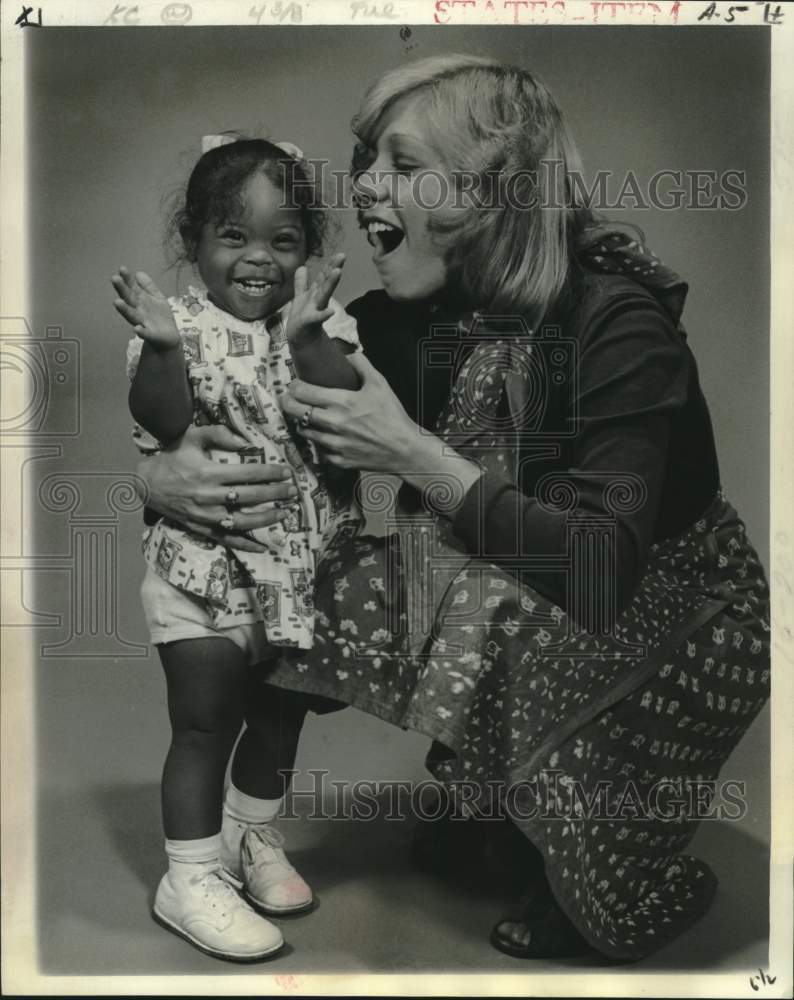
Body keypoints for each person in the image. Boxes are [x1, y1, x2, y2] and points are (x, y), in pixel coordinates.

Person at [133, 55, 770, 963]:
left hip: (669, 606)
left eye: (397, 162)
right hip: (518, 564)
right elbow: (251, 411)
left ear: (493, 192)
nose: (363, 188)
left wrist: (409, 452)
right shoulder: (400, 313)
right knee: (321, 576)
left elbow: (597, 569)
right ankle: (244, 834)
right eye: (365, 160)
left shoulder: (615, 323)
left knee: (520, 615)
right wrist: (157, 476)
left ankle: (608, 863)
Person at [112, 134, 362, 962]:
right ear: (194, 242)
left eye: (283, 241)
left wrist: (309, 333)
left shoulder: (319, 322)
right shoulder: (176, 324)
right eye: (234, 236)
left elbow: (340, 403)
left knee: (281, 717)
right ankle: (188, 875)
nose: (259, 258)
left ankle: (252, 837)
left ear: (308, 251)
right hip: (201, 571)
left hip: (295, 573)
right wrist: (159, 348)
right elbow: (165, 424)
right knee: (204, 722)